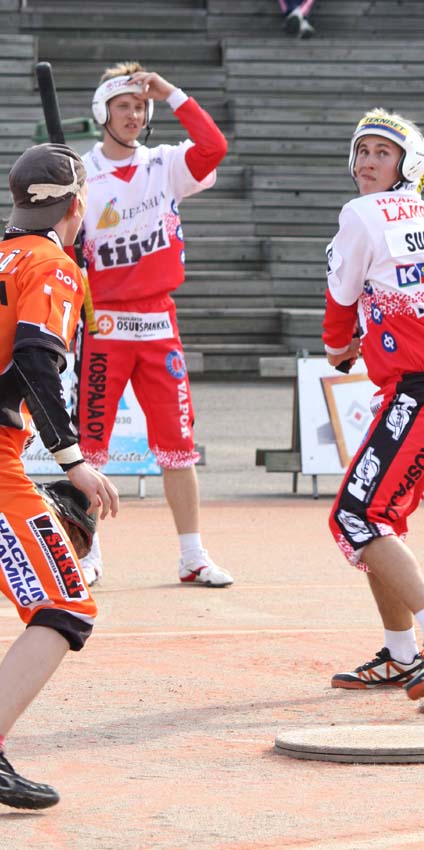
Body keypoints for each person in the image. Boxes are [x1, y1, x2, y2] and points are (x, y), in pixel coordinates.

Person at [323, 108, 424, 700]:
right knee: (378, 519)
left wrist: (341, 346)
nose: (367, 161)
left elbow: (340, 301)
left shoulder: (359, 213)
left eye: (382, 153)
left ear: (406, 165)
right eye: (362, 150)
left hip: (419, 391)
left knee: (355, 517)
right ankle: (399, 652)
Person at [74, 62, 233, 588]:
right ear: (103, 112)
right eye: (124, 106)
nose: (135, 115)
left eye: (141, 107)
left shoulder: (163, 163)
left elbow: (213, 148)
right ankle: (88, 552)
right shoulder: (81, 174)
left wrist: (172, 93)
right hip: (103, 325)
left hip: (159, 323)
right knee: (90, 448)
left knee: (178, 445)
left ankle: (193, 555)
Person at [0, 143, 119, 809]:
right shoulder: (51, 265)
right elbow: (35, 358)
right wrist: (71, 458)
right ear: (76, 207)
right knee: (65, 605)